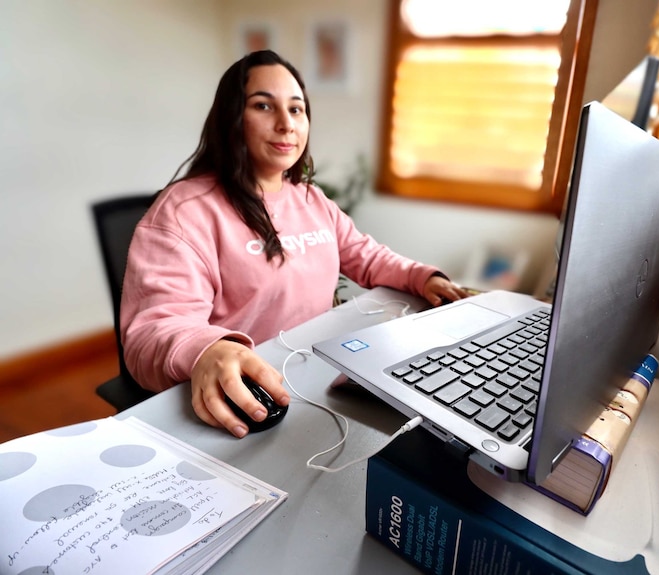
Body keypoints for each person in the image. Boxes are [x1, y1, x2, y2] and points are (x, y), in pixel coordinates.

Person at [120, 50, 467, 438]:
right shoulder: (184, 212)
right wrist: (208, 349)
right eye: (263, 106)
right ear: (231, 118)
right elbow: (152, 330)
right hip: (238, 404)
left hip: (314, 380)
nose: (286, 124)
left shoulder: (310, 198)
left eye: (297, 109)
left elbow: (365, 255)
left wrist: (423, 278)